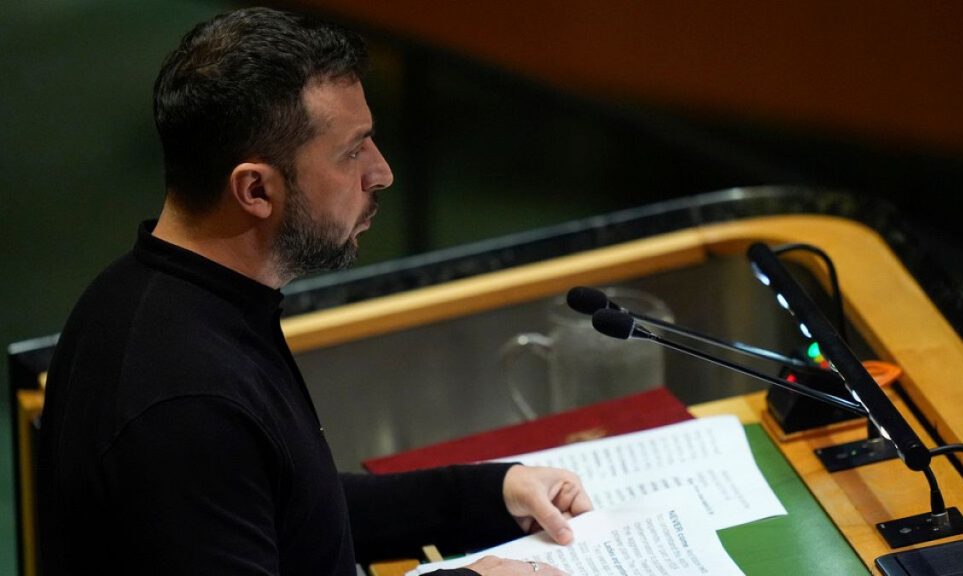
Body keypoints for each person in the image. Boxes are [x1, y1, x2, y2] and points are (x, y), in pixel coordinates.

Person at [37, 7, 592, 576]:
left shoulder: (167, 295)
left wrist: (491, 492)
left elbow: (292, 510)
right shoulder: (184, 406)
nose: (381, 173)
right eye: (353, 152)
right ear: (255, 189)